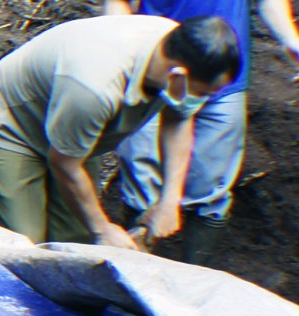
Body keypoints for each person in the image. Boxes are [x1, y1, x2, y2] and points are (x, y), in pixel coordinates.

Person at [0, 15, 241, 250]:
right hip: (17, 128)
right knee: (26, 244)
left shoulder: (177, 50)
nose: (202, 102)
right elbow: (64, 163)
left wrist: (169, 201)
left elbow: (178, 121)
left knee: (76, 241)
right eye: (203, 94)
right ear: (178, 76)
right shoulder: (95, 86)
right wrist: (103, 228)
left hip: (78, 134)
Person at [105, 0, 299, 264]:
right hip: (156, 71)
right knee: (141, 177)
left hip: (223, 79)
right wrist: (123, 51)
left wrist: (291, 40)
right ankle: (131, 272)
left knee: (212, 183)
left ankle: (195, 277)